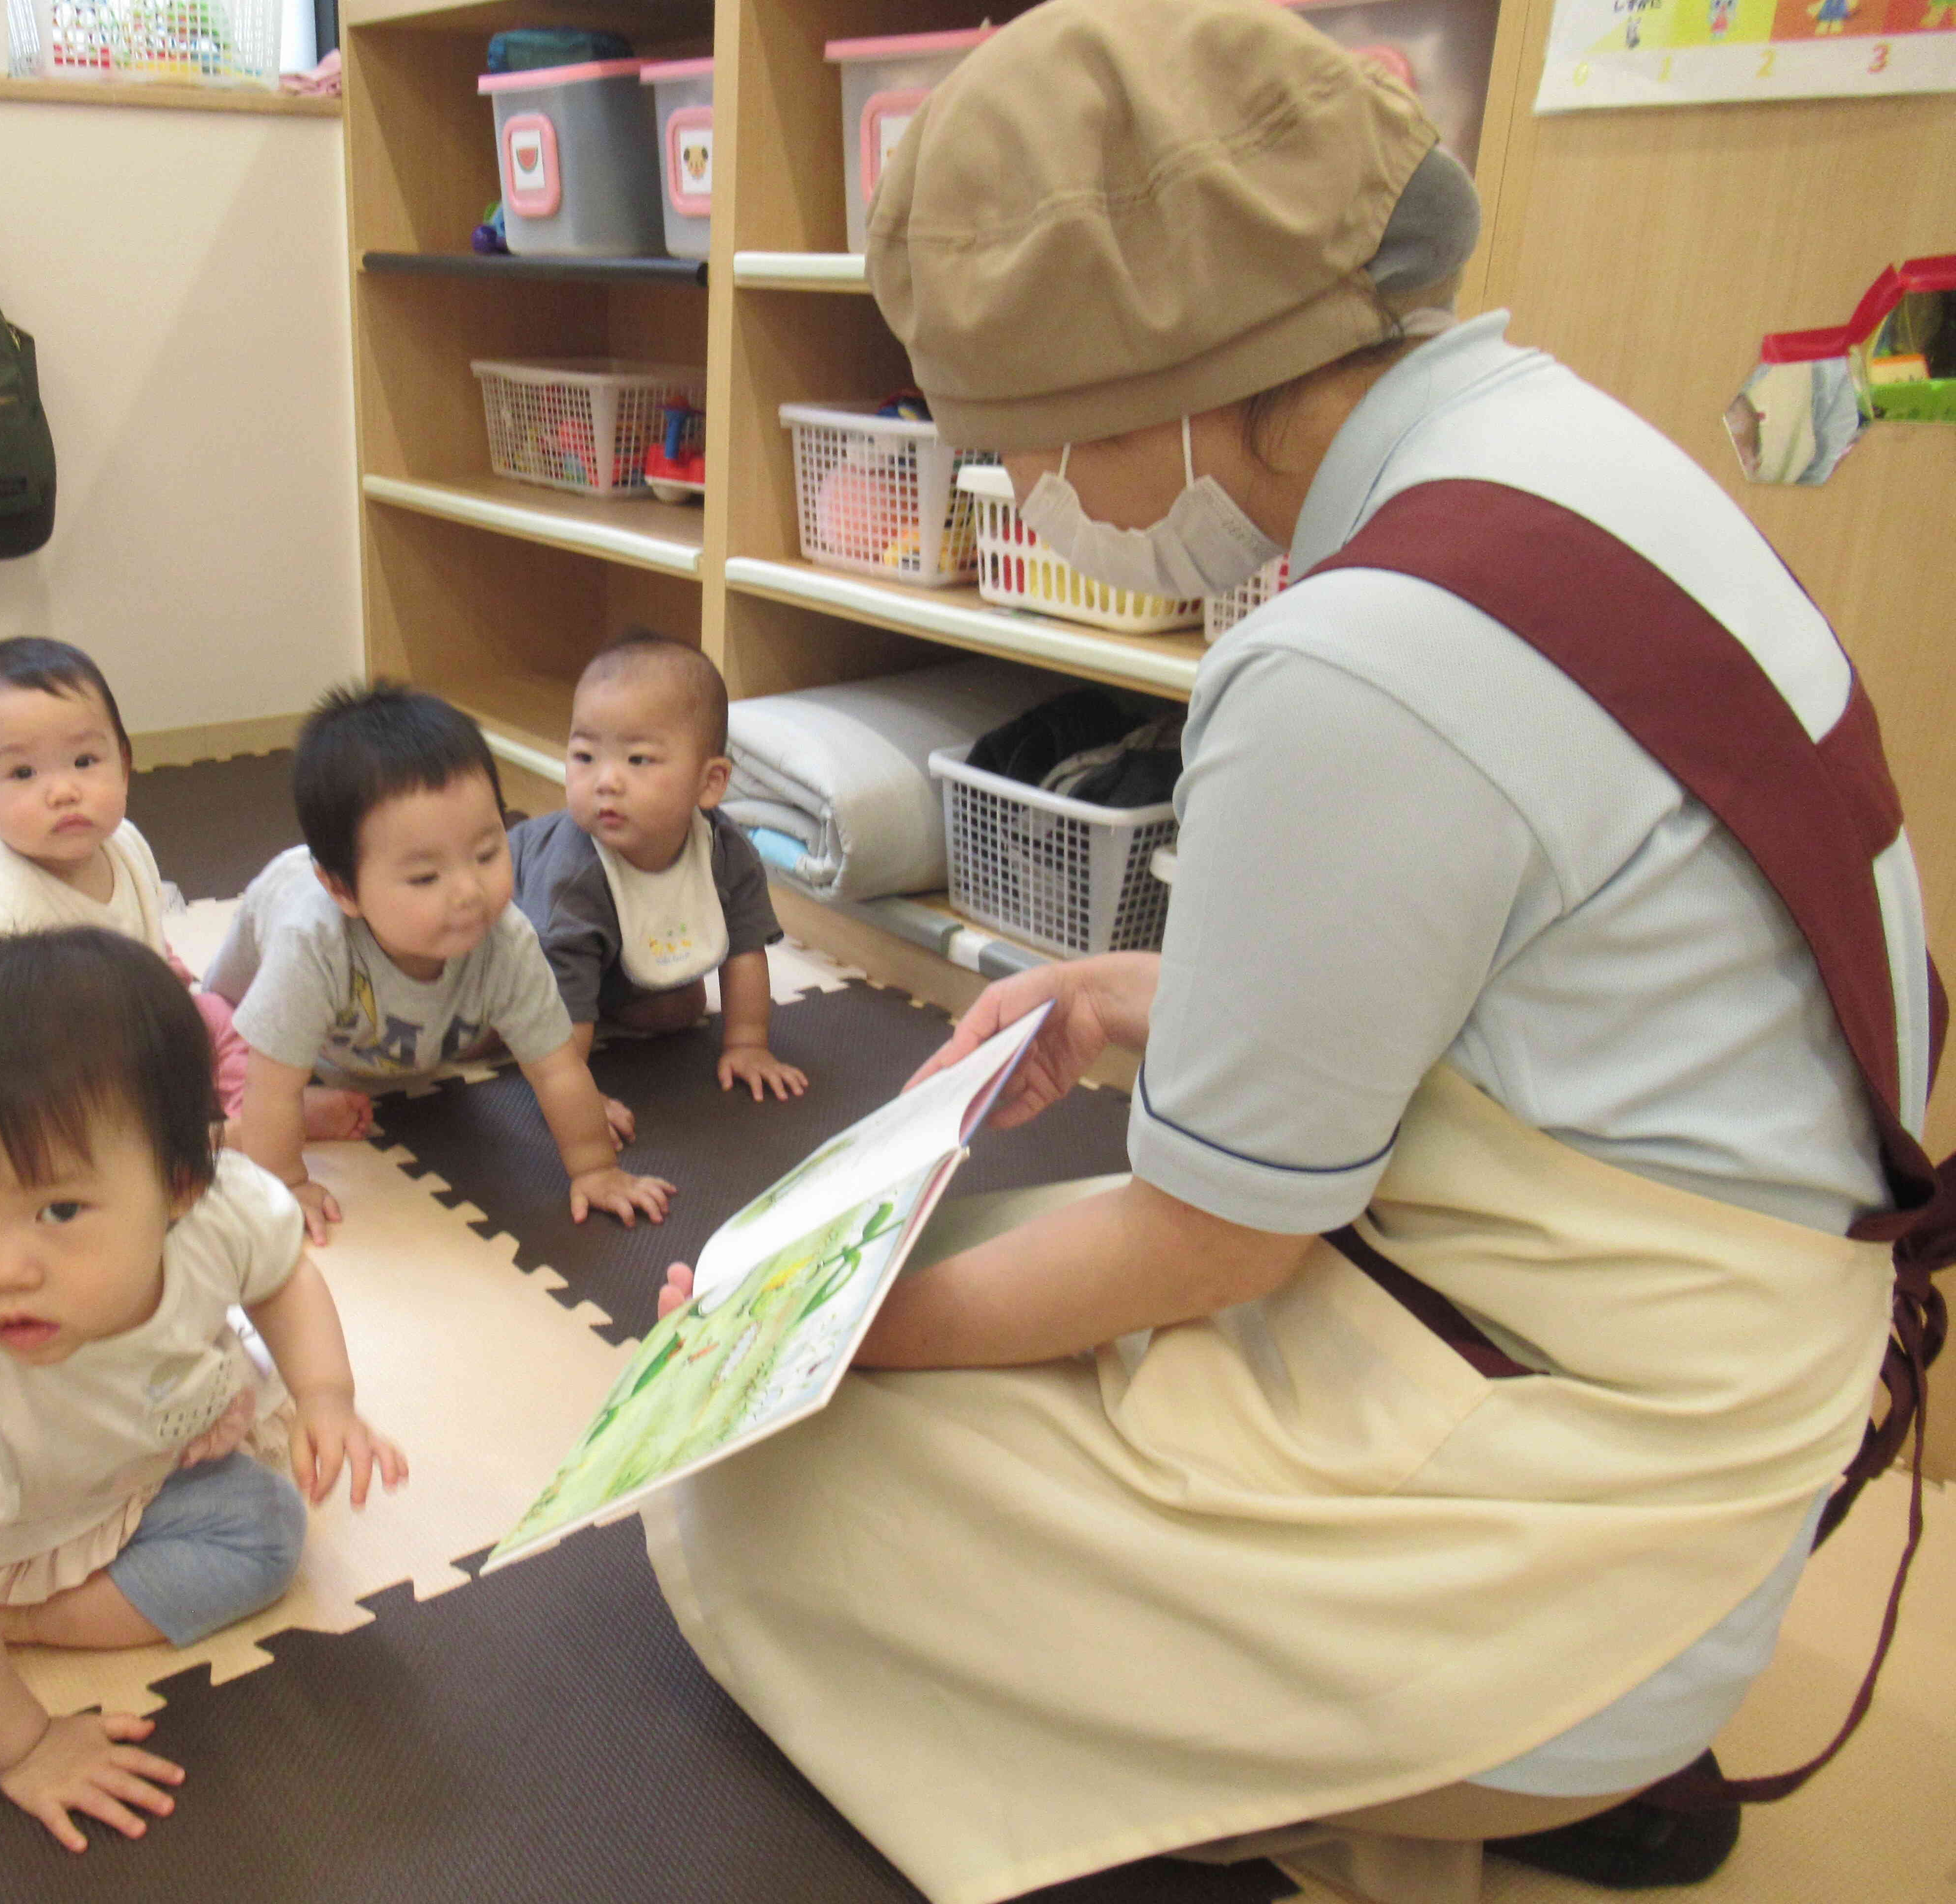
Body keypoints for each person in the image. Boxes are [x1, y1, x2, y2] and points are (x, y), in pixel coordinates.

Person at [639, 5, 1951, 1903]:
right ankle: (1506, 1737)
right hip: (1706, 1366)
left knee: (777, 1497)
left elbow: (1214, 1237)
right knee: (996, 1278)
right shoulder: (1558, 449)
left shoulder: (1353, 663)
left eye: (1027, 444)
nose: (1031, 499)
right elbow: (1540, 1004)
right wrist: (1118, 992)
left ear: (1168, 364)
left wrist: (807, 1353)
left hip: (1604, 1503)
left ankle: (1491, 1766)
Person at [0, 930, 406, 1854]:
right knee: (258, 1542)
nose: (4, 1268)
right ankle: (19, 1617)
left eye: (58, 1209)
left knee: (268, 1521)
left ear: (179, 1183)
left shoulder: (217, 1210)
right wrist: (24, 1748)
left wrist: (326, 1397)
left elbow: (281, 1278)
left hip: (162, 1430)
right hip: (36, 1521)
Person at [204, 683, 673, 1241]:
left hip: (397, 1046)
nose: (468, 891)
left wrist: (596, 1168)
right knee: (216, 1036)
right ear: (344, 890)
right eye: (426, 877)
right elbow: (272, 1083)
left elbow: (556, 1067)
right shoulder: (311, 943)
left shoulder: (504, 939)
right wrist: (284, 1181)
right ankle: (282, 1116)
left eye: (486, 853)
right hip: (272, 1016)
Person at [0, 637, 371, 1145]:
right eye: (24, 773)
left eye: (84, 761)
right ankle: (207, 1142)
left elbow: (146, 941)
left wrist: (172, 987)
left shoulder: (124, 848)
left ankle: (259, 1112)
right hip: (49, 1066)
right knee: (72, 1120)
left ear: (123, 762)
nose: (63, 790)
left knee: (222, 1019)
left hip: (135, 1027)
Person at [509, 634, 807, 1103]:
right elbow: (560, 989)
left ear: (710, 783)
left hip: (607, 963)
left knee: (681, 1007)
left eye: (638, 760)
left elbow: (745, 949)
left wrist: (748, 1044)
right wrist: (576, 1098)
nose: (606, 781)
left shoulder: (726, 851)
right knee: (490, 1022)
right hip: (516, 953)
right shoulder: (573, 875)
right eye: (585, 757)